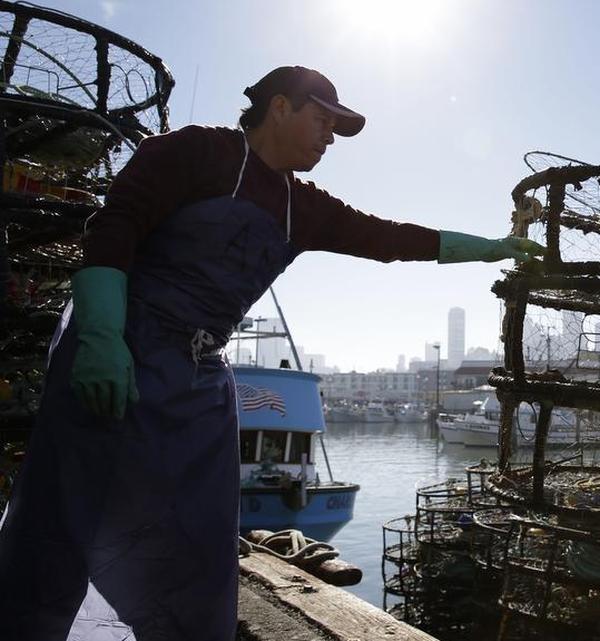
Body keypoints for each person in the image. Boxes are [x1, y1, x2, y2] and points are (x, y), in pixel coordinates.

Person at [0, 66, 543, 641]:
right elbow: (112, 231)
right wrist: (102, 339)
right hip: (123, 352)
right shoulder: (195, 152)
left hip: (200, 379)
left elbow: (391, 239)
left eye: (337, 130)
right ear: (279, 106)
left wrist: (492, 249)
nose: (329, 138)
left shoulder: (302, 207)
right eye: (323, 121)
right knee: (67, 515)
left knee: (199, 538)